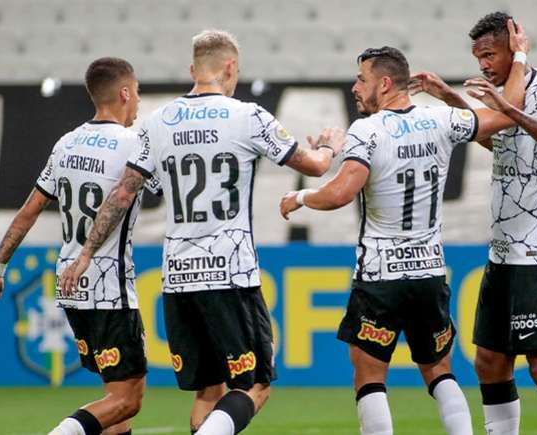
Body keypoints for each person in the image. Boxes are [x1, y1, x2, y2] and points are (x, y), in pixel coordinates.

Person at [59, 29, 346, 435]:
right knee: (256, 384)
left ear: (193, 69)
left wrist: (86, 252)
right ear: (230, 68)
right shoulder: (248, 116)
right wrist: (331, 145)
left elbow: (122, 193)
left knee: (209, 392)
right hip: (229, 272)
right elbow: (315, 167)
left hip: (176, 280)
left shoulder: (157, 122)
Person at [279, 25, 528, 435]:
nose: (356, 88)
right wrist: (518, 58)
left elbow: (342, 192)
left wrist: (301, 198)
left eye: (362, 80)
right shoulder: (442, 120)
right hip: (428, 272)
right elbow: (507, 112)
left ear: (385, 82)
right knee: (439, 371)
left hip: (381, 278)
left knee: (370, 376)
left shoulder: (367, 130)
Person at [412, 12, 537, 435]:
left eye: (490, 54)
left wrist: (507, 107)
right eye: (478, 56)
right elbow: (496, 139)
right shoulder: (496, 93)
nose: (483, 64)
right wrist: (450, 97)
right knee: (489, 361)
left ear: (514, 49)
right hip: (504, 251)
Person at [0, 57, 158, 435]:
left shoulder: (67, 143)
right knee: (128, 399)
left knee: (114, 404)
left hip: (71, 287)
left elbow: (29, 211)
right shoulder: (135, 144)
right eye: (135, 93)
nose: (137, 102)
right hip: (107, 285)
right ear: (124, 93)